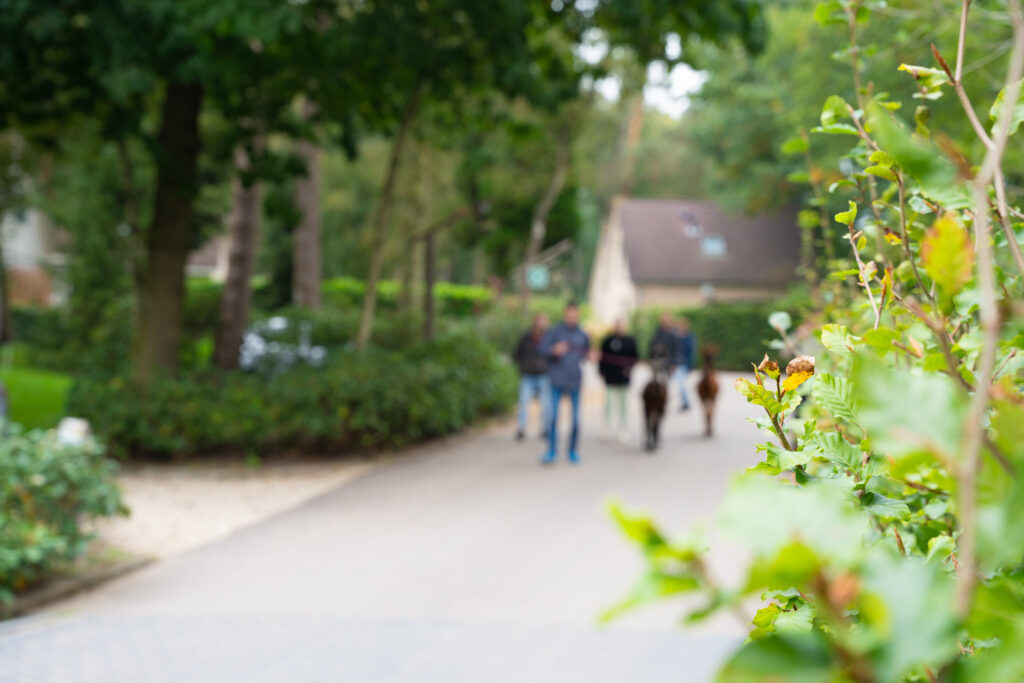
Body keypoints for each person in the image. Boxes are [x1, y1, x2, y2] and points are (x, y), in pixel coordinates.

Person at [540, 302, 590, 464]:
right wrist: (553, 350)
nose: (572, 317)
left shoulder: (583, 334)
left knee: (575, 420)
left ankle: (573, 451)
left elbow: (586, 354)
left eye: (575, 315)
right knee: (553, 417)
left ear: (578, 315)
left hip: (575, 381)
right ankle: (551, 451)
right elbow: (542, 349)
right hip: (557, 380)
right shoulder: (555, 332)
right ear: (565, 314)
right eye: (569, 314)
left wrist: (591, 356)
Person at [598, 319, 638, 443]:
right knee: (609, 403)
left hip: (624, 378)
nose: (619, 328)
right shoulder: (607, 341)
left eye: (621, 326)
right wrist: (601, 372)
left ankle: (623, 429)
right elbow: (602, 358)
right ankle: (607, 427)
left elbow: (635, 357)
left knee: (623, 405)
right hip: (610, 378)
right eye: (617, 326)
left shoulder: (630, 341)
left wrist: (629, 369)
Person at [513, 313, 551, 440]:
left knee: (545, 405)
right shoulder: (526, 337)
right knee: (523, 402)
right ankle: (521, 428)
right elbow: (517, 354)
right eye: (539, 322)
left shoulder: (549, 338)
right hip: (528, 375)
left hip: (544, 376)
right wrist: (522, 366)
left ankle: (544, 429)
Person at [673, 317, 696, 412]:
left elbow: (691, 353)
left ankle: (686, 402)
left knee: (681, 383)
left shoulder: (689, 338)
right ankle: (684, 402)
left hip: (684, 364)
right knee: (680, 384)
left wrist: (690, 365)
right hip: (675, 363)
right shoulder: (675, 338)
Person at [647, 312, 678, 377]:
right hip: (658, 361)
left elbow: (677, 351)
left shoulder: (675, 334)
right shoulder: (656, 334)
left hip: (670, 363)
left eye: (666, 321)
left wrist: (674, 363)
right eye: (663, 321)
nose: (665, 322)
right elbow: (651, 348)